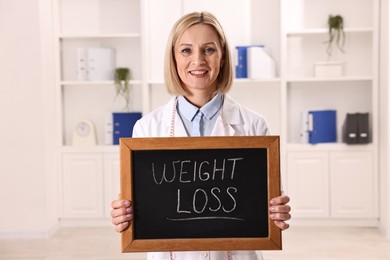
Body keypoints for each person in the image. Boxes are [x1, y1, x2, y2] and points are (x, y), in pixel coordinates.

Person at [111, 11, 291, 260]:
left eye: (209, 49)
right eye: (186, 50)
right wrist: (125, 214)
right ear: (173, 58)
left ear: (224, 58)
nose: (198, 60)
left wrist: (276, 212)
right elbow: (141, 205)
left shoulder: (254, 126)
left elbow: (267, 204)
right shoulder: (146, 129)